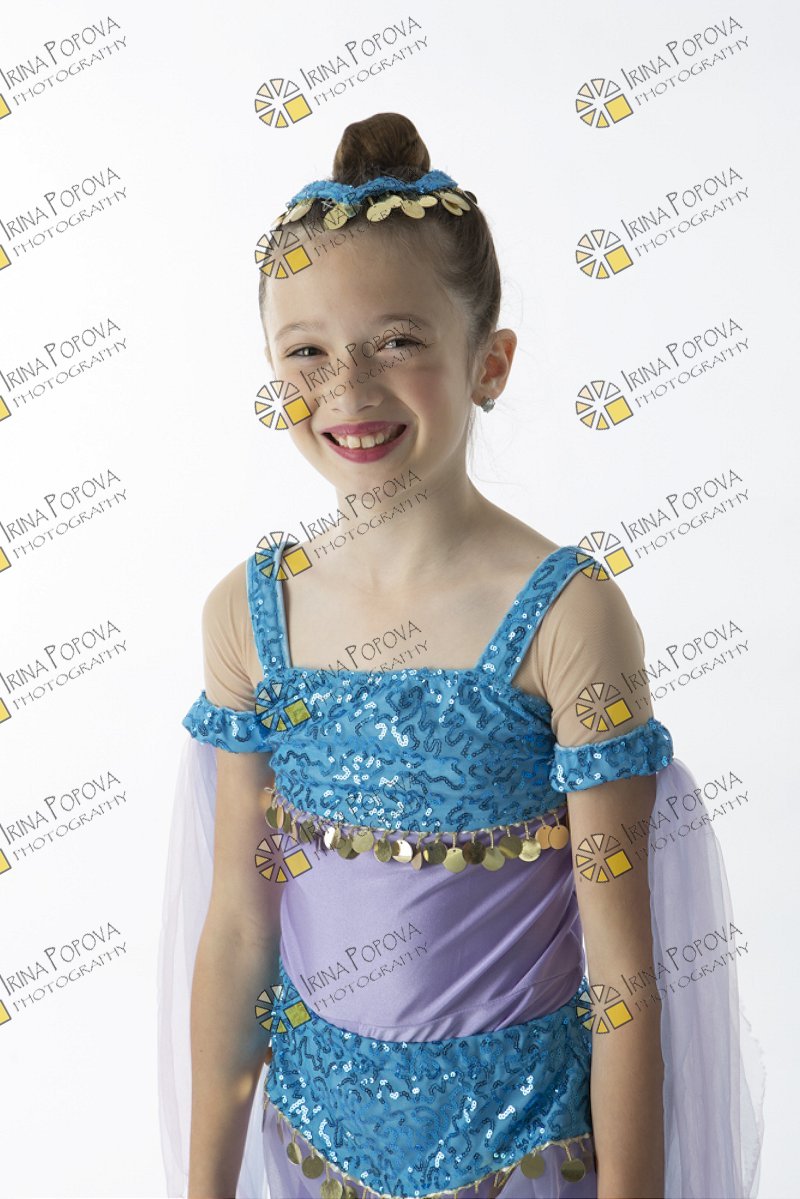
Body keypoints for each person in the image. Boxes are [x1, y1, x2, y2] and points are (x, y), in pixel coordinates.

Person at [157, 113, 764, 1199]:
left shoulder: (567, 617)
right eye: (306, 351)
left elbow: (623, 976)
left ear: (490, 362)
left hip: (526, 1162)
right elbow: (241, 928)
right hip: (315, 1160)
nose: (348, 387)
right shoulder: (248, 618)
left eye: (396, 341)